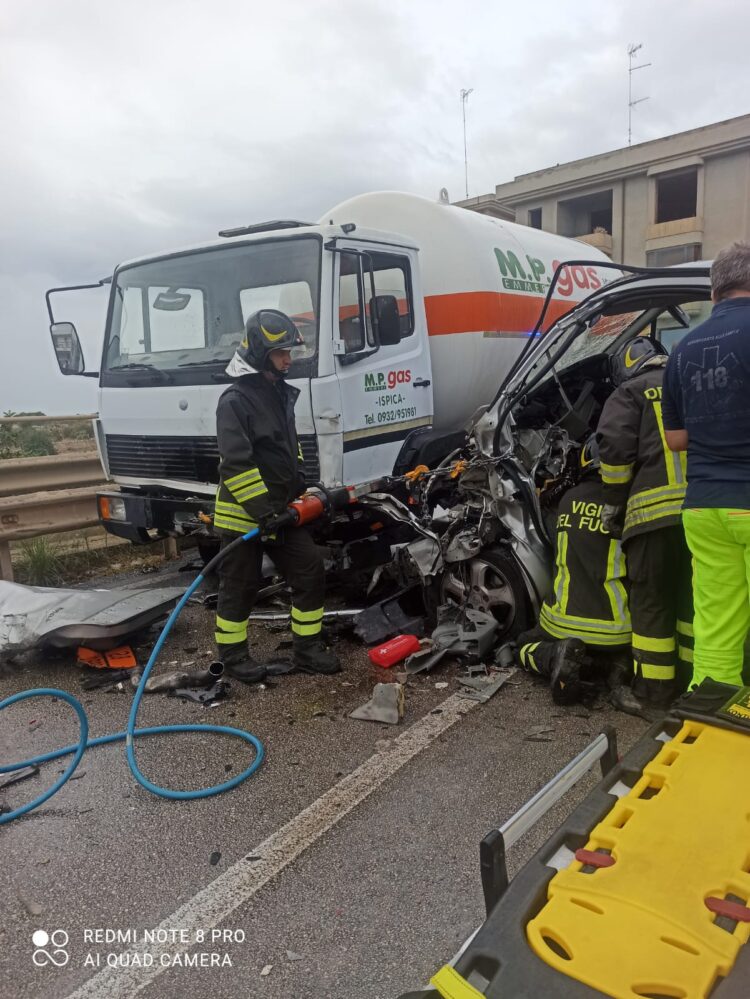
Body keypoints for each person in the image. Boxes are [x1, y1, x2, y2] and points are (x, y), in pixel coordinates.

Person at [212, 308, 340, 679]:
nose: (289, 358)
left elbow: (287, 447)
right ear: (259, 354)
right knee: (240, 586)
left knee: (310, 569)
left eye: (289, 351)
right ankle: (234, 659)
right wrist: (263, 512)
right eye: (281, 352)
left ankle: (307, 649)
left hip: (280, 512)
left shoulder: (278, 394)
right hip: (244, 516)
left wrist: (299, 485)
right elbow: (236, 464)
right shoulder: (235, 401)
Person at [662, 241, 750, 689]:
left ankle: (715, 713)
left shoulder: (682, 349)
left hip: (704, 509)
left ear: (714, 292)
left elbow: (675, 440)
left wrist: (717, 428)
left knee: (716, 624)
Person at [596, 336, 693, 706]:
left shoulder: (629, 393)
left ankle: (654, 694)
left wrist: (613, 505)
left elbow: (615, 453)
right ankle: (694, 685)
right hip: (702, 515)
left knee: (652, 602)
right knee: (693, 601)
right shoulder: (690, 384)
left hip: (651, 518)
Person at [516, 437, 636, 708]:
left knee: (522, 645)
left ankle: (553, 655)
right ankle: (611, 665)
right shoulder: (630, 503)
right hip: (618, 630)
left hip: (563, 624)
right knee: (612, 645)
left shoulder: (567, 500)